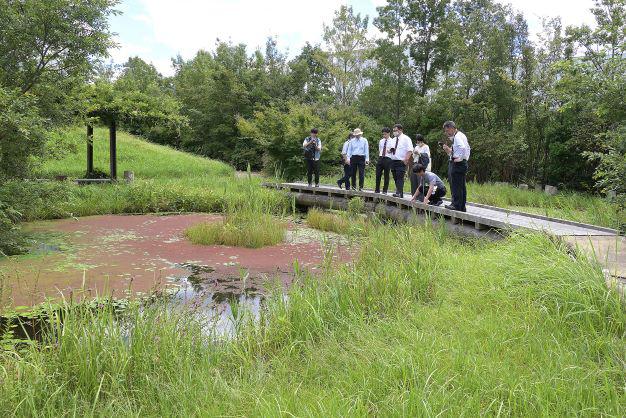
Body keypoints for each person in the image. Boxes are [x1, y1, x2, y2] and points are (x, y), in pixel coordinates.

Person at [442, 121, 470, 211]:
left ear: (451, 128)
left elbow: (463, 148)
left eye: (447, 131)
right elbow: (466, 148)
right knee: (461, 186)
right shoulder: (461, 135)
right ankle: (461, 206)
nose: (446, 133)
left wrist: (460, 158)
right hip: (462, 163)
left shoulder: (457, 136)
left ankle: (456, 205)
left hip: (458, 163)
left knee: (456, 185)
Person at [388, 124, 413, 198]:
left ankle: (400, 193)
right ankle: (397, 191)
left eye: (396, 130)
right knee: (395, 177)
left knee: (400, 177)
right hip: (393, 160)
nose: (394, 132)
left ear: (400, 130)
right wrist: (389, 150)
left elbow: (410, 150)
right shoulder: (393, 139)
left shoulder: (406, 138)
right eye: (393, 131)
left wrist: (406, 160)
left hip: (401, 161)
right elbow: (390, 149)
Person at [375, 127, 392, 194]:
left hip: (388, 158)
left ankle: (385, 190)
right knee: (378, 174)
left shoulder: (392, 141)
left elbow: (393, 151)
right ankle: (377, 189)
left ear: (388, 133)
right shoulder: (381, 141)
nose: (384, 136)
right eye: (383, 134)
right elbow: (380, 149)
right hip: (381, 157)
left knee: (386, 175)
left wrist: (390, 151)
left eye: (385, 134)